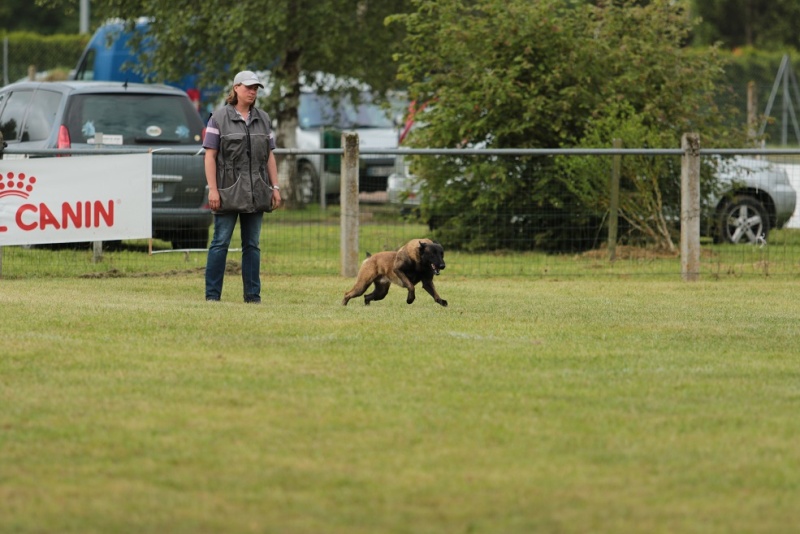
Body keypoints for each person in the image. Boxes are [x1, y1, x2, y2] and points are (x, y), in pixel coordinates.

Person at [203, 70, 281, 303]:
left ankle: (253, 296)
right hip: (227, 191)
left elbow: (269, 156)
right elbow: (210, 157)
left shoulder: (264, 119)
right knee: (220, 243)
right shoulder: (218, 118)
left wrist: (275, 187)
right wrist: (213, 189)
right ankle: (212, 296)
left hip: (257, 192)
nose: (253, 91)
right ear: (236, 88)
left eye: (256, 88)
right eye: (248, 87)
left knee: (252, 246)